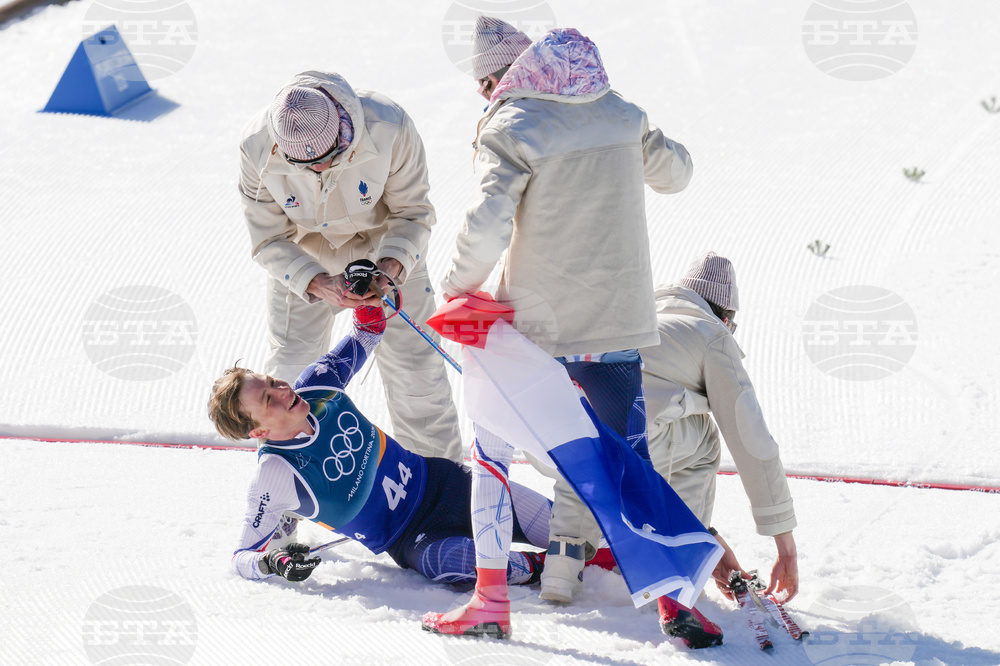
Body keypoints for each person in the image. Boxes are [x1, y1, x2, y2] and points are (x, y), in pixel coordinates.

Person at [424, 17, 694, 638]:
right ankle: (675, 603)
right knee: (633, 463)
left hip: (536, 329)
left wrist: (459, 288)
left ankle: (490, 604)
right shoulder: (622, 112)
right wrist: (636, 130)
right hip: (618, 322)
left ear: (500, 78)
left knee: (491, 454)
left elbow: (489, 220)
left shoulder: (511, 124)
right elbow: (676, 174)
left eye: (485, 85)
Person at [208, 305, 555, 589]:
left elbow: (368, 330)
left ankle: (584, 554)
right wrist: (272, 561)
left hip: (450, 484)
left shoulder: (318, 386)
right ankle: (553, 567)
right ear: (259, 431)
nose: (283, 390)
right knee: (452, 562)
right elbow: (242, 556)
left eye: (272, 381)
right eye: (269, 398)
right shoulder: (275, 472)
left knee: (567, 527)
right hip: (416, 539)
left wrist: (368, 297)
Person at [238, 70, 462, 464]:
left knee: (417, 377)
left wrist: (391, 268)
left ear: (343, 130)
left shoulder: (389, 126)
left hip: (385, 244)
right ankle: (286, 506)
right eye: (304, 165)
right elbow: (268, 239)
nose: (319, 171)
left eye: (327, 159)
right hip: (303, 254)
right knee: (288, 377)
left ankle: (447, 494)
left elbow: (413, 212)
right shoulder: (256, 146)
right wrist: (314, 281)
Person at [641, 252, 799, 621]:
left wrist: (712, 542)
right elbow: (752, 442)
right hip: (635, 445)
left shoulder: (644, 313)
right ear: (725, 318)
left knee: (672, 412)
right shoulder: (711, 334)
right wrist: (786, 549)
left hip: (565, 440)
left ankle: (691, 543)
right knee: (705, 437)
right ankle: (681, 557)